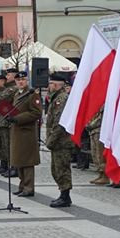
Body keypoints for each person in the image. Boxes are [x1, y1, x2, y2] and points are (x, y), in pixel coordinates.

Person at [8, 72, 42, 197]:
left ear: (27, 80)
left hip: (27, 132)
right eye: (18, 80)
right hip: (17, 131)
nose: (20, 82)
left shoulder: (33, 95)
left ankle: (29, 187)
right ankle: (22, 185)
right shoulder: (18, 94)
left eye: (23, 80)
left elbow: (36, 113)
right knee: (19, 160)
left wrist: (18, 118)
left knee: (27, 161)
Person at [45, 73, 74, 207]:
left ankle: (65, 196)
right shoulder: (56, 98)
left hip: (62, 141)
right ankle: (63, 193)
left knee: (62, 169)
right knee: (56, 169)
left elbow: (59, 122)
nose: (49, 86)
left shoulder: (61, 99)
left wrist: (51, 139)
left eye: (50, 84)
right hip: (57, 141)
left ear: (56, 85)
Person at [0, 74, 15, 177]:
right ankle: (4, 165)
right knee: (2, 146)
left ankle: (12, 166)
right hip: (1, 121)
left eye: (8, 74)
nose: (7, 76)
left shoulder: (12, 89)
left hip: (8, 122)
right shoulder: (5, 89)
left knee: (8, 146)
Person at [87, 107, 108, 185]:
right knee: (95, 154)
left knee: (100, 155)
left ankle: (105, 176)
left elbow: (101, 119)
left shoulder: (105, 105)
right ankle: (100, 174)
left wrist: (90, 125)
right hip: (93, 131)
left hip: (99, 131)